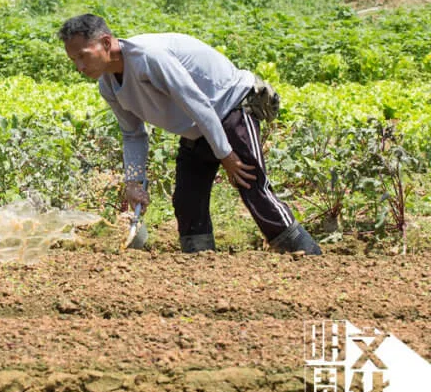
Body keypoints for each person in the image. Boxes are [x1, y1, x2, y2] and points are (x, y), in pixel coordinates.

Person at [58, 13, 321, 255]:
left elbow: (196, 101)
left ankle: (306, 255)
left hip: (231, 107)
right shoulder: (108, 85)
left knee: (251, 185)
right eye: (74, 60)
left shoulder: (149, 58)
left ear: (105, 42)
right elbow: (133, 134)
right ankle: (199, 263)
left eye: (83, 55)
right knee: (187, 200)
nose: (80, 67)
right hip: (197, 126)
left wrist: (226, 154)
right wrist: (134, 182)